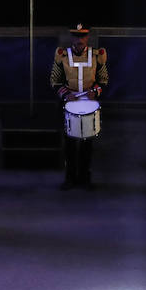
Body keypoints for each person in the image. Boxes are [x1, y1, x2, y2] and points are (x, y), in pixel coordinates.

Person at [48, 22, 108, 190]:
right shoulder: (62, 56)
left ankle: (85, 178)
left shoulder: (97, 55)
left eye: (82, 36)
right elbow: (54, 80)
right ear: (71, 37)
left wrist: (95, 92)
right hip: (69, 103)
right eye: (76, 36)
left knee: (87, 145)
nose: (79, 40)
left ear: (87, 37)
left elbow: (103, 80)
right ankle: (70, 178)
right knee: (69, 144)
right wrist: (66, 94)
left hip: (89, 103)